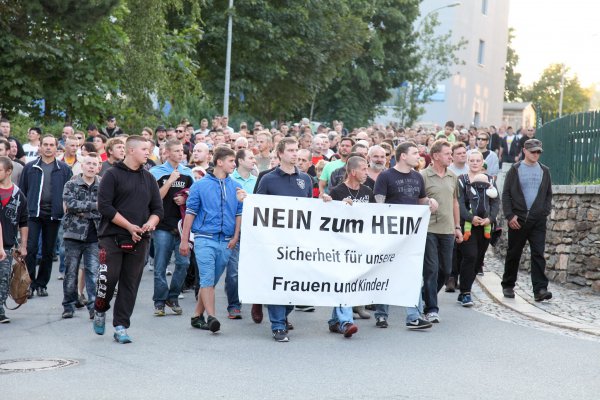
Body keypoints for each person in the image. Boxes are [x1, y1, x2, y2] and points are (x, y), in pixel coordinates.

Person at [93, 136, 163, 343]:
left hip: (140, 239)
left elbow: (158, 209)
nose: (147, 153)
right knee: (108, 279)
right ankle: (100, 308)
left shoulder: (149, 178)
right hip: (112, 237)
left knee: (129, 284)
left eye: (148, 149)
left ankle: (121, 325)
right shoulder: (111, 175)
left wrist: (150, 223)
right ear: (130, 151)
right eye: (144, 149)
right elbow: (104, 206)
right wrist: (128, 226)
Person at [254, 137, 312, 342]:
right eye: (290, 150)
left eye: (296, 150)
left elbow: (310, 211)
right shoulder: (268, 179)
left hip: (297, 243)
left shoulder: (305, 179)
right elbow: (259, 208)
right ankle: (278, 326)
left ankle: (283, 313)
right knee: (278, 283)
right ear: (279, 154)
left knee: (294, 286)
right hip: (275, 242)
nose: (295, 154)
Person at [373, 142, 436, 330]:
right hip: (389, 234)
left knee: (413, 274)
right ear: (403, 156)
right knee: (386, 272)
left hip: (411, 235)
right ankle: (381, 314)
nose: (419, 156)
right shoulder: (385, 176)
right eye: (415, 153)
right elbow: (379, 204)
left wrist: (431, 202)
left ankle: (413, 316)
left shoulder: (418, 177)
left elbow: (421, 200)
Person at [179, 146, 242, 334]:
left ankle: (196, 316)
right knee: (206, 278)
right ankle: (212, 317)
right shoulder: (200, 185)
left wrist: (236, 236)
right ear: (220, 162)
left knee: (211, 281)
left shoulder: (235, 186)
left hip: (227, 241)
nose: (234, 164)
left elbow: (239, 213)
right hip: (205, 238)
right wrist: (185, 240)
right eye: (231, 161)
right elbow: (189, 214)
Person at [20, 135, 73, 298]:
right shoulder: (30, 167)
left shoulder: (64, 169)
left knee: (48, 251)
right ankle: (29, 284)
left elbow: (69, 191)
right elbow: (22, 191)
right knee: (30, 249)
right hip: (33, 214)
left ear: (57, 148)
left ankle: (41, 284)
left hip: (54, 214)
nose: (48, 147)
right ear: (40, 147)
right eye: (45, 144)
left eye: (52, 145)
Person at [501, 139, 553, 302]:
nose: (536, 154)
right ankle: (508, 284)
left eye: (538, 152)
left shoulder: (545, 171)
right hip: (518, 220)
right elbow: (506, 194)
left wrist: (544, 212)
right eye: (533, 152)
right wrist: (510, 216)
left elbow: (548, 195)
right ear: (524, 151)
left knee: (538, 254)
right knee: (514, 253)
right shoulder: (515, 170)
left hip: (538, 221)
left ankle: (540, 289)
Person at [328, 156, 376, 330]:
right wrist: (340, 207)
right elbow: (328, 218)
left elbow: (374, 217)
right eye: (364, 169)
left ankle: (335, 321)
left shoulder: (367, 192)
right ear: (353, 171)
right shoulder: (337, 191)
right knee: (344, 281)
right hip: (342, 245)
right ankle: (346, 322)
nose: (366, 172)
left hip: (361, 245)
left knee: (351, 282)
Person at [149, 139, 194, 317]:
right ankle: (159, 302)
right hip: (162, 225)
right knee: (160, 265)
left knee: (183, 263)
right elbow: (154, 198)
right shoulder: (156, 172)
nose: (180, 154)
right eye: (175, 151)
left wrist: (185, 198)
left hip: (182, 226)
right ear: (166, 152)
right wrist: (170, 181)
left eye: (181, 151)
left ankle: (172, 297)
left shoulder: (188, 172)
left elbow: (195, 196)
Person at [420, 140, 463, 323]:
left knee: (446, 270)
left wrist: (457, 227)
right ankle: (431, 308)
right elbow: (417, 200)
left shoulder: (453, 177)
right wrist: (427, 202)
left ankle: (423, 295)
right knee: (431, 269)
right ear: (436, 156)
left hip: (447, 229)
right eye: (447, 154)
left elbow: (455, 203)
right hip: (429, 228)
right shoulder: (423, 176)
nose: (450, 157)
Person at [61, 154, 102, 319]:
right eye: (88, 163)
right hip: (73, 234)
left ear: (99, 167)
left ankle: (93, 306)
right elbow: (70, 205)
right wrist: (94, 206)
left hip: (95, 235)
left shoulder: (103, 184)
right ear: (82, 166)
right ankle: (69, 305)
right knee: (71, 273)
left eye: (95, 164)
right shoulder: (71, 184)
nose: (91, 166)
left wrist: (87, 210)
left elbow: (106, 206)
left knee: (93, 272)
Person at [456, 151, 499, 307]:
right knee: (470, 255)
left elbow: (495, 202)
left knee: (478, 259)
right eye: (472, 160)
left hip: (485, 226)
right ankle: (466, 292)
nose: (475, 163)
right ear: (467, 162)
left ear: (482, 163)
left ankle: (464, 287)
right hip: (468, 226)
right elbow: (459, 203)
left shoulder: (490, 180)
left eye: (478, 160)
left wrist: (490, 219)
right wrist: (470, 217)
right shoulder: (461, 181)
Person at [224, 149, 257, 319]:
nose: (254, 160)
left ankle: (256, 302)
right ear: (240, 160)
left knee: (255, 269)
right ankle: (234, 305)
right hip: (234, 230)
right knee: (233, 270)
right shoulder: (229, 180)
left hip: (254, 231)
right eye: (250, 157)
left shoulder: (257, 181)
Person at [0, 156, 27, 323]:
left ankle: (0, 308)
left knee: (3, 277)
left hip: (8, 243)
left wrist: (23, 245)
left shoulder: (18, 195)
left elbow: (24, 221)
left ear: (9, 171)